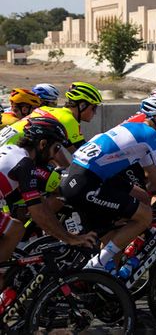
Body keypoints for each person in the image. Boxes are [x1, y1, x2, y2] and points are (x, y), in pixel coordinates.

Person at [62, 94, 156, 272]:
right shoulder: (149, 135)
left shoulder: (138, 131)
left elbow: (154, 175)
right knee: (145, 215)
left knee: (117, 234)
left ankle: (102, 283)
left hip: (84, 178)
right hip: (87, 183)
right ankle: (97, 263)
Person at [0, 117, 97, 302]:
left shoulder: (12, 151)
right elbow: (37, 214)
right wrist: (70, 238)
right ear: (43, 144)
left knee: (16, 228)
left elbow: (38, 203)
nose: (55, 155)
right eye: (56, 148)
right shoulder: (25, 163)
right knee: (15, 230)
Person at [0, 82, 102, 165]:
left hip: (7, 149)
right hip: (12, 154)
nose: (95, 112)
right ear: (82, 105)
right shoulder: (69, 120)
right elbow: (87, 157)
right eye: (93, 107)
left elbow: (55, 151)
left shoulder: (49, 110)